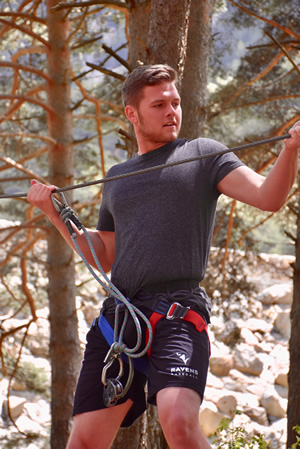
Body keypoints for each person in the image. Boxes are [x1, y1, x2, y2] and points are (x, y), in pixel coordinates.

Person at [27, 64, 300, 449]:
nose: (172, 111)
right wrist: (57, 214)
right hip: (120, 320)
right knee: (84, 442)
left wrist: (290, 150)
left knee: (178, 420)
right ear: (132, 114)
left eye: (175, 103)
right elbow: (103, 253)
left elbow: (268, 196)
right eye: (159, 105)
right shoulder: (118, 177)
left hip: (178, 311)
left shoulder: (203, 154)